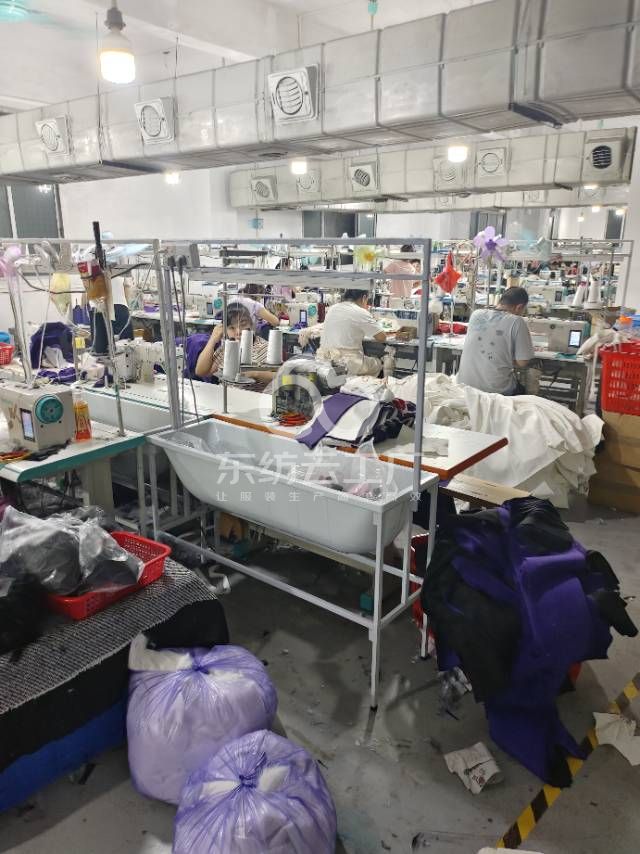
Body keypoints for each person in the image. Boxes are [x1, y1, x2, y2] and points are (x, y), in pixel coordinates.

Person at [456, 287, 534, 395]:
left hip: (464, 386)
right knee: (524, 389)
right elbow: (522, 362)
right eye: (523, 310)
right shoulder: (517, 321)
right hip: (497, 391)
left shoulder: (476, 314)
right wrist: (502, 357)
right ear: (519, 307)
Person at [317, 289, 409, 376]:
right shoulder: (360, 312)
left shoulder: (333, 308)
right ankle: (380, 384)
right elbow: (382, 337)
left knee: (365, 358)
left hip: (325, 361)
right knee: (380, 362)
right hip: (347, 364)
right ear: (364, 298)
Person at [195, 302, 275, 386]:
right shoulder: (227, 348)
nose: (238, 332)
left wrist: (256, 374)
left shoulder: (264, 348)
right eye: (232, 328)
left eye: (243, 325)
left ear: (251, 325)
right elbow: (201, 372)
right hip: (227, 393)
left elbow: (283, 378)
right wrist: (212, 339)